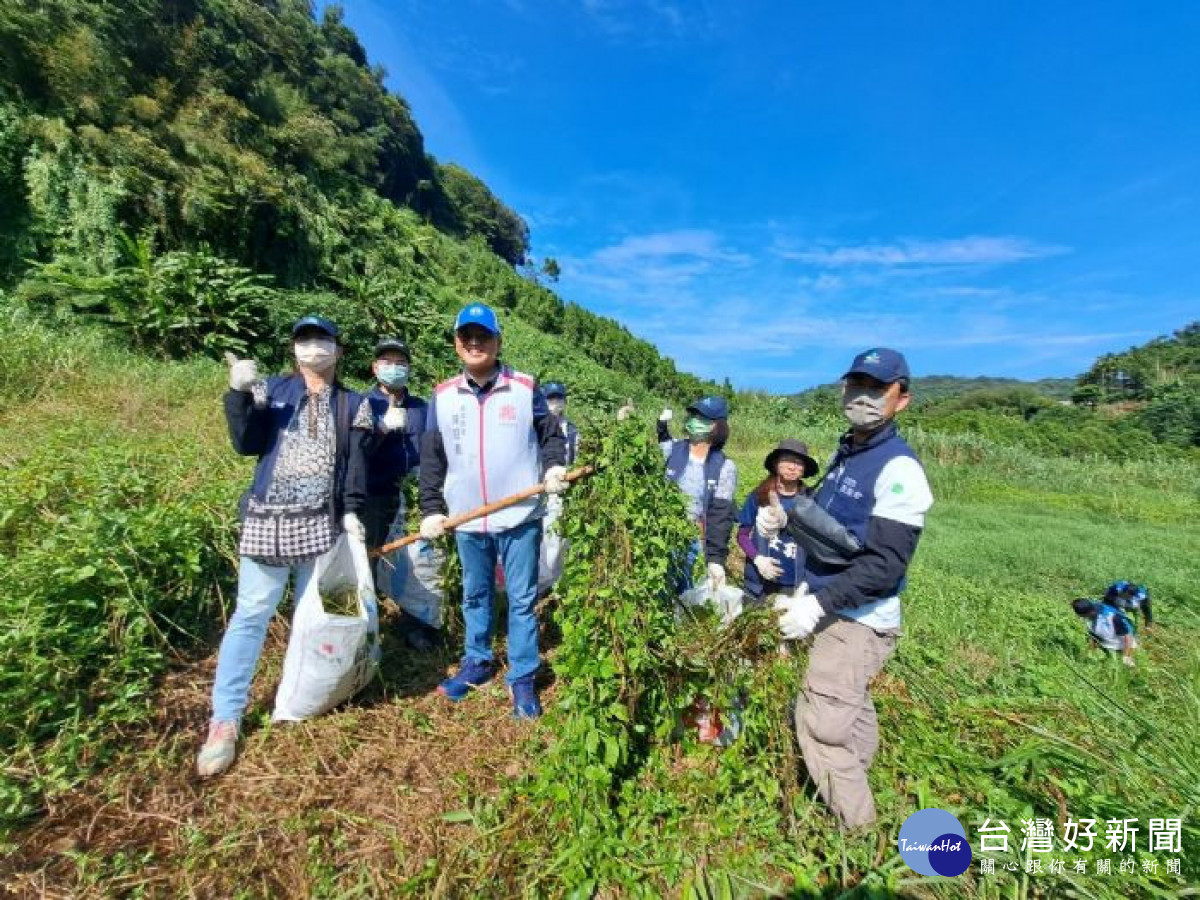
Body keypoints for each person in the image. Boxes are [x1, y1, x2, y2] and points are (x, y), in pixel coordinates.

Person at [197, 316, 372, 777]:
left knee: (322, 615)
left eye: (322, 339)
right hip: (267, 523)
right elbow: (246, 441)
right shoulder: (272, 390)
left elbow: (355, 466)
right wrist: (237, 395)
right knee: (250, 616)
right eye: (304, 340)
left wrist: (352, 513)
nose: (313, 347)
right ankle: (225, 720)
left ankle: (309, 694)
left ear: (339, 349)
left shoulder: (354, 403)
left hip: (324, 527)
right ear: (294, 350)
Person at [770, 348, 933, 829]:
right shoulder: (848, 455)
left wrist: (819, 603)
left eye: (876, 389)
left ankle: (857, 832)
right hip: (837, 606)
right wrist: (784, 523)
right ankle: (858, 776)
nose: (863, 397)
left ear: (901, 399)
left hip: (857, 619)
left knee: (819, 725)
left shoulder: (898, 468)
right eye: (856, 385)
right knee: (850, 704)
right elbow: (831, 531)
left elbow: (883, 566)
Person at [418, 303, 568, 719]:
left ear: (498, 341)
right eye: (467, 336)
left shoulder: (523, 387)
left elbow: (550, 434)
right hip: (467, 517)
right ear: (457, 344)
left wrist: (554, 465)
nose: (475, 343)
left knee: (521, 599)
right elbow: (432, 457)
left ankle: (522, 676)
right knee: (475, 594)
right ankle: (477, 662)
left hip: (519, 514)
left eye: (483, 336)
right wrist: (431, 508)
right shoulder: (444, 395)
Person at [361, 337, 441, 650]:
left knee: (418, 562)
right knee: (369, 557)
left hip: (415, 497)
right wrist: (380, 429)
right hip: (375, 495)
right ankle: (367, 624)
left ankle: (416, 625)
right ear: (375, 367)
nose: (394, 368)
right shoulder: (364, 405)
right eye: (387, 362)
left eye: (400, 363)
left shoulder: (421, 408)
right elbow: (355, 453)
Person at [658, 396, 738, 594]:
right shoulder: (674, 449)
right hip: (660, 532)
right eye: (693, 415)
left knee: (685, 589)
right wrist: (660, 424)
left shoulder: (725, 467)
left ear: (717, 426)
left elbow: (721, 514)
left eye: (703, 418)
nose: (695, 421)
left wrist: (715, 560)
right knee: (658, 586)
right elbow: (658, 441)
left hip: (693, 537)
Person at [736, 439, 820, 606]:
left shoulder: (812, 499)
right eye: (787, 460)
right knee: (752, 625)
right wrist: (757, 559)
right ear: (776, 464)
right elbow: (742, 535)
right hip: (758, 578)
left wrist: (808, 581)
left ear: (804, 470)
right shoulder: (759, 495)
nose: (792, 467)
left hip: (793, 580)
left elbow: (820, 541)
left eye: (798, 463)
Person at [1072, 598, 1138, 666]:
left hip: (1124, 645)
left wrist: (1126, 656)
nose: (1081, 617)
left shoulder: (1112, 617)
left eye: (1082, 616)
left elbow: (1128, 638)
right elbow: (1093, 637)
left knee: (1129, 665)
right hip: (1108, 645)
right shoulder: (1088, 617)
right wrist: (1088, 652)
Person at [542, 382, 579, 465]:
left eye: (559, 398)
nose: (555, 401)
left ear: (565, 401)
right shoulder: (537, 427)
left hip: (566, 475)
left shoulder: (572, 429)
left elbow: (576, 456)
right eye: (551, 398)